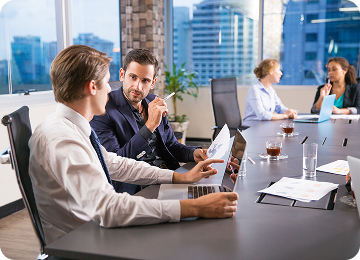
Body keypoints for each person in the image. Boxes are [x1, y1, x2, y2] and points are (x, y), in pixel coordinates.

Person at [28, 45, 238, 244]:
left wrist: (178, 177)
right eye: (108, 81)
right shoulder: (63, 139)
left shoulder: (74, 128)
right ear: (93, 87)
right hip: (85, 241)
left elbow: (115, 164)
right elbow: (108, 208)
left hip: (95, 229)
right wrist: (193, 207)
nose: (110, 89)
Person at [90, 49, 208, 194]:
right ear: (122, 75)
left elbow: (170, 145)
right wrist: (150, 126)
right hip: (137, 187)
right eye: (133, 77)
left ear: (153, 82)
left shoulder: (154, 102)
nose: (138, 87)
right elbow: (117, 164)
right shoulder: (103, 109)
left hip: (170, 175)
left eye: (145, 80)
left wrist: (194, 153)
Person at [243, 59, 298, 125]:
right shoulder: (254, 90)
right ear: (270, 71)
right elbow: (262, 115)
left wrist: (290, 112)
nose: (281, 73)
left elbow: (279, 108)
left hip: (265, 125)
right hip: (252, 127)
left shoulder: (271, 90)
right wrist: (285, 115)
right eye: (278, 70)